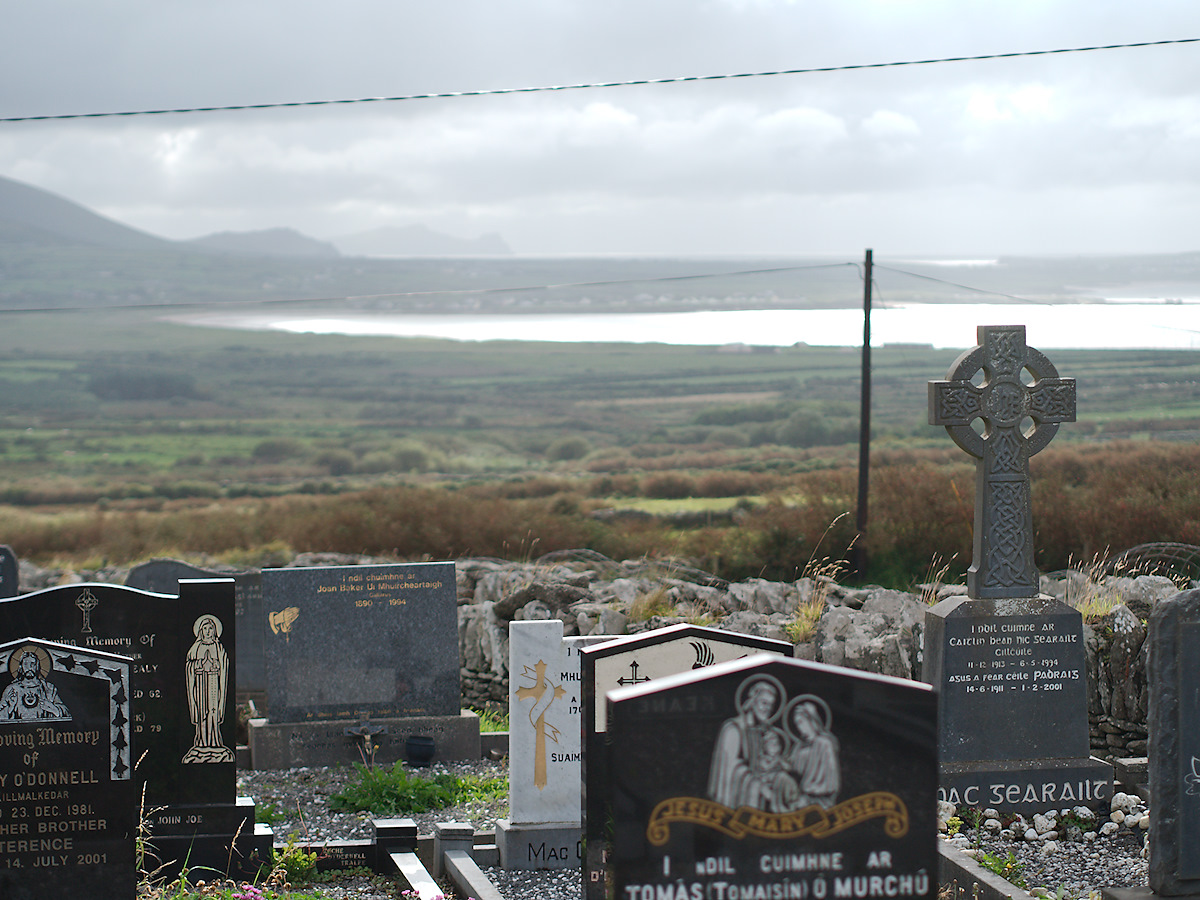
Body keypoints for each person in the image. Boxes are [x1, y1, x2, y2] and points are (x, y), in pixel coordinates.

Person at [707, 675, 784, 809]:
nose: (767, 709)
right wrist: (760, 787)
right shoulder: (733, 729)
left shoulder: (760, 732)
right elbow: (731, 769)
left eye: (771, 705)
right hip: (734, 803)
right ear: (753, 701)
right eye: (764, 703)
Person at [182, 614, 234, 763]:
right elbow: (189, 666)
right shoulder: (195, 647)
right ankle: (201, 742)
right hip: (200, 685)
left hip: (213, 684)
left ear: (215, 630)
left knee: (212, 711)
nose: (208, 631)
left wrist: (215, 667)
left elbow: (224, 667)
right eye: (205, 628)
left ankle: (214, 742)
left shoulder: (218, 647)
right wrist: (197, 667)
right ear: (200, 631)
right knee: (202, 712)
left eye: (211, 628)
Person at [786, 695, 840, 809]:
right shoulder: (799, 746)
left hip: (820, 796)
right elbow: (793, 769)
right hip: (802, 794)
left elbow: (831, 777)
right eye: (797, 724)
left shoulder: (824, 743)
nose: (800, 727)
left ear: (811, 720)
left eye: (801, 722)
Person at [0, 647, 70, 720]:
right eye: (26, 664)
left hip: (45, 730)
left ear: (37, 667)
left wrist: (52, 708)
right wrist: (10, 707)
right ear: (21, 667)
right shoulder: (12, 689)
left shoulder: (48, 688)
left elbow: (67, 714)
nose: (29, 667)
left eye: (32, 664)